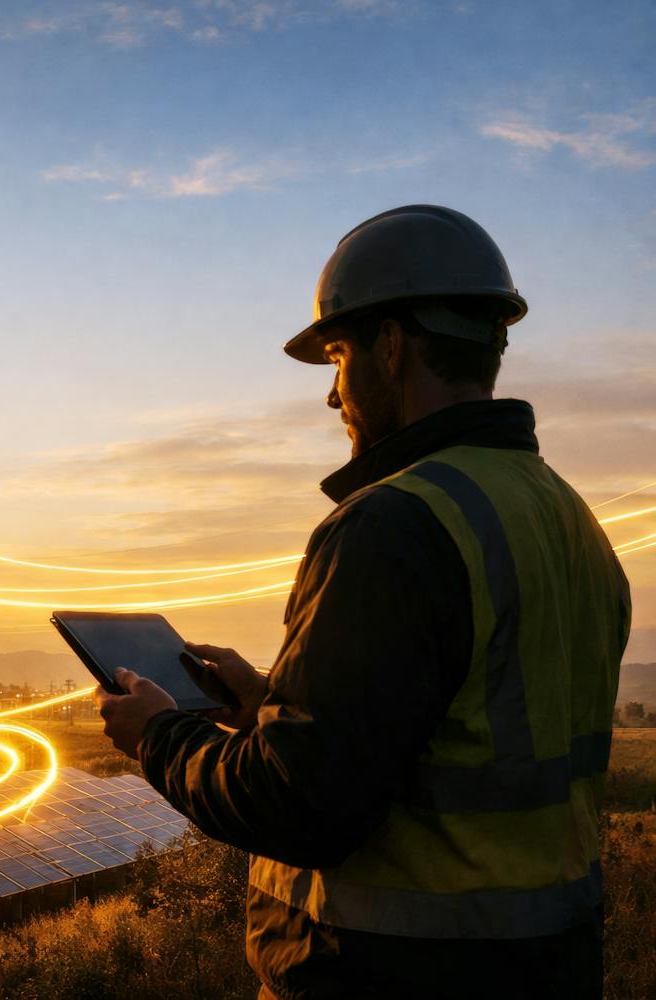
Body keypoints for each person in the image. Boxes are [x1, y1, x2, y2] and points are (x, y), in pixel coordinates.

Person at [94, 205, 630, 1000]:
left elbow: (302, 807)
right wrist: (271, 706)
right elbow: (456, 734)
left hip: (389, 968)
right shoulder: (565, 516)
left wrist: (159, 736)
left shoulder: (395, 523)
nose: (332, 396)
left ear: (390, 346)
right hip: (544, 962)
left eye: (338, 358)